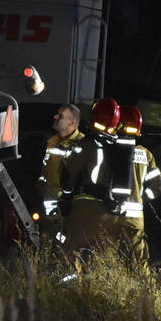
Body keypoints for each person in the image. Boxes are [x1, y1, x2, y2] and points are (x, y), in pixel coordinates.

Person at [99, 105, 161, 266]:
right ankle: (146, 290)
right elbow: (159, 187)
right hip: (135, 218)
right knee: (139, 262)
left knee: (105, 259)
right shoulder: (146, 154)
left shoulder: (108, 149)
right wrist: (140, 199)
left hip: (110, 214)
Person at [58, 98, 121, 258]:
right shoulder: (118, 148)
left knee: (71, 253)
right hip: (112, 212)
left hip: (86, 208)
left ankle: (68, 282)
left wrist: (65, 197)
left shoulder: (86, 145)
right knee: (101, 257)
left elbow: (69, 175)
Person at [37, 104, 85, 237]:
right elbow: (45, 167)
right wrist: (41, 184)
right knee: (48, 237)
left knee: (66, 239)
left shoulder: (82, 144)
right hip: (49, 202)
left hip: (69, 207)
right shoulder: (52, 141)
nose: (55, 117)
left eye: (61, 116)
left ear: (72, 123)